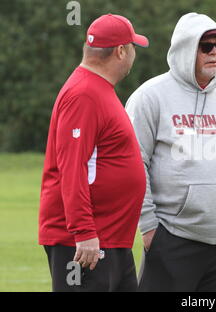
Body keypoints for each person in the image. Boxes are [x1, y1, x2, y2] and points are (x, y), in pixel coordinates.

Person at [125, 12, 216, 292]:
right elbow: (134, 164)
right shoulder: (150, 96)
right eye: (205, 46)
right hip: (173, 238)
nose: (214, 53)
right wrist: (149, 228)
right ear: (186, 49)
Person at [39, 13, 149, 292]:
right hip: (87, 242)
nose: (133, 53)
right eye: (133, 46)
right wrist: (84, 232)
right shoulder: (84, 93)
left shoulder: (99, 89)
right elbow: (71, 167)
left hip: (111, 238)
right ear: (121, 51)